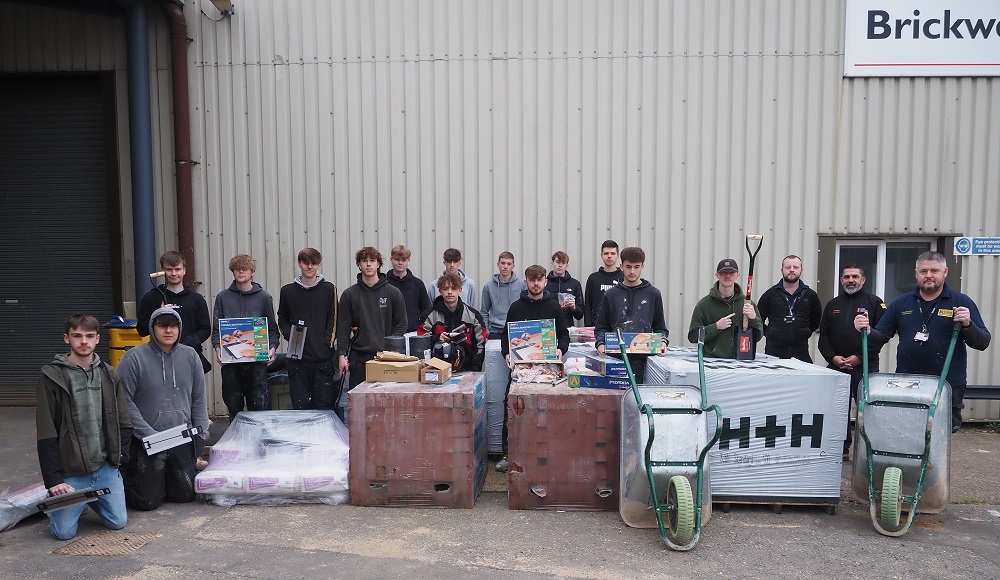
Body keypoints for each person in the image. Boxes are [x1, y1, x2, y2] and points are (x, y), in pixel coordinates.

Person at [855, 251, 990, 433]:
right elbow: (881, 337)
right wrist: (868, 330)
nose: (928, 276)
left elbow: (982, 342)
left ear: (945, 272)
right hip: (908, 383)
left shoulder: (960, 302)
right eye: (923, 271)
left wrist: (968, 324)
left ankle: (935, 463)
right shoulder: (901, 303)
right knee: (907, 431)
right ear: (916, 273)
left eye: (934, 271)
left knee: (940, 435)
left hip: (947, 383)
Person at [36, 314, 132, 540]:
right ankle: (72, 501)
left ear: (98, 339)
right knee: (63, 533)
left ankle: (89, 498)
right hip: (72, 472)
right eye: (77, 336)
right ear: (66, 338)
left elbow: (124, 420)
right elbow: (46, 431)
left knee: (118, 522)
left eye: (89, 336)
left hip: (105, 468)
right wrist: (54, 480)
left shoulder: (108, 374)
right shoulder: (52, 378)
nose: (83, 341)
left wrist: (119, 459)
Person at [118, 307, 210, 511]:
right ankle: (137, 479)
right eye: (162, 326)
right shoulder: (133, 359)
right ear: (152, 328)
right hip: (147, 439)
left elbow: (198, 397)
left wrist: (201, 433)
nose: (168, 331)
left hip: (181, 435)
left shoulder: (191, 356)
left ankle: (165, 478)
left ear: (179, 328)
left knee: (185, 495)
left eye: (174, 326)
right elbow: (123, 401)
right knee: (146, 502)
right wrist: (148, 435)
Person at [496, 265, 570, 473]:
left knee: (546, 408)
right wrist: (507, 353)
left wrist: (560, 350)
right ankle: (507, 454)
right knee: (511, 406)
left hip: (547, 369)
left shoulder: (554, 306)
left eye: (540, 280)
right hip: (521, 368)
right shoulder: (516, 307)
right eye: (532, 279)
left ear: (546, 281)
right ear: (526, 281)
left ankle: (548, 452)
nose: (536, 283)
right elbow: (505, 336)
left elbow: (564, 335)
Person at [819, 264, 887, 459]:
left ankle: (870, 451)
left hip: (865, 365)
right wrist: (833, 358)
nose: (851, 280)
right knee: (838, 409)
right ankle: (842, 449)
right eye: (847, 276)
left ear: (863, 280)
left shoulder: (875, 303)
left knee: (868, 409)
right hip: (837, 366)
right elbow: (824, 337)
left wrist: (859, 357)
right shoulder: (833, 305)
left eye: (855, 276)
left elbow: (881, 336)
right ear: (841, 280)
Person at [211, 253, 280, 420]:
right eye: (237, 269)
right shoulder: (222, 297)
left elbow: (272, 329)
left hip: (257, 365)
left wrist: (271, 348)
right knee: (234, 409)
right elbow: (216, 331)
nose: (241, 272)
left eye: (245, 269)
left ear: (252, 271)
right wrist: (218, 349)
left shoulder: (264, 297)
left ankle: (259, 444)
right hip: (231, 365)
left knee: (260, 410)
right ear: (232, 272)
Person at [594, 246, 668, 385]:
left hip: (644, 361)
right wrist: (601, 343)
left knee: (638, 403)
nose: (632, 271)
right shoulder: (611, 294)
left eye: (636, 267)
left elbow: (660, 328)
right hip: (615, 360)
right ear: (621, 266)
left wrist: (663, 342)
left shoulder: (653, 294)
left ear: (642, 266)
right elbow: (601, 327)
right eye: (628, 267)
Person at [337, 246, 408, 391]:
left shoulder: (393, 293)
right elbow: (343, 328)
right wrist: (341, 355)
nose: (368, 264)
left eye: (372, 260)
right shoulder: (349, 295)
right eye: (364, 261)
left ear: (379, 264)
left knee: (386, 405)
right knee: (358, 405)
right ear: (359, 264)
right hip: (359, 359)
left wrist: (390, 348)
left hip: (386, 358)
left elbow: (402, 323)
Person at [277, 248, 340, 411]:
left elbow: (334, 318)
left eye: (313, 263)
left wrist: (327, 343)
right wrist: (290, 336)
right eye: (306, 263)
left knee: (324, 406)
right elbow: (282, 318)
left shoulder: (328, 288)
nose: (309, 267)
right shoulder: (287, 291)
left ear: (319, 265)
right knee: (300, 405)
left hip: (322, 359)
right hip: (297, 359)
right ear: (299, 264)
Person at [136, 251, 212, 373]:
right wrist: (157, 314)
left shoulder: (197, 299)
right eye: (169, 269)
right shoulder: (151, 298)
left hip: (190, 359)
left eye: (177, 269)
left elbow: (205, 329)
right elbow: (141, 330)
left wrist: (186, 345)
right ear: (162, 270)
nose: (173, 273)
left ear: (184, 270)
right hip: (159, 360)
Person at [687, 258, 763, 358]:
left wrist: (753, 319)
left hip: (741, 363)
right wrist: (716, 327)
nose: (727, 276)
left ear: (737, 276)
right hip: (711, 362)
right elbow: (693, 336)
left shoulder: (747, 304)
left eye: (731, 272)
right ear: (717, 275)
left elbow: (758, 336)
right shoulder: (704, 305)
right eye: (723, 273)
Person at [757, 255, 823, 362]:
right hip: (774, 353)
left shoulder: (810, 295)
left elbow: (816, 320)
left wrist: (804, 332)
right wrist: (770, 333)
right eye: (788, 267)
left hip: (801, 352)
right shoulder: (770, 294)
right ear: (782, 270)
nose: (792, 270)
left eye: (795, 267)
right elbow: (758, 319)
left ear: (801, 270)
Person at [417, 273, 488, 372]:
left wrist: (473, 370)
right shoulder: (428, 316)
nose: (450, 292)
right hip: (436, 370)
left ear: (460, 290)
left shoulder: (474, 316)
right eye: (445, 289)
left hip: (467, 370)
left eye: (453, 288)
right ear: (440, 291)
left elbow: (480, 345)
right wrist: (437, 338)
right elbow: (420, 344)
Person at [480, 251, 527, 339]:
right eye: (503, 263)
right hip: (494, 331)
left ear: (513, 266)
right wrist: (486, 331)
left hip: (516, 331)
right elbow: (484, 312)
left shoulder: (522, 285)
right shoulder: (488, 286)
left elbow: (527, 308)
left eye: (509, 264)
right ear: (498, 264)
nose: (505, 266)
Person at [385, 244, 430, 333]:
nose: (400, 263)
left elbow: (425, 309)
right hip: (388, 333)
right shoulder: (383, 283)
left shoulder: (418, 284)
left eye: (404, 260)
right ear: (391, 259)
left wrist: (419, 327)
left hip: (413, 332)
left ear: (408, 260)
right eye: (397, 259)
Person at [584, 240, 624, 326]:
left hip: (620, 326)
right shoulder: (593, 278)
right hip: (598, 326)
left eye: (613, 253)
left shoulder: (624, 278)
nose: (609, 256)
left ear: (618, 255)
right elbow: (587, 306)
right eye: (606, 253)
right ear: (601, 255)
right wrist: (588, 327)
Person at [546, 251, 585, 329]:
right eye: (557, 262)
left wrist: (573, 307)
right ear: (552, 263)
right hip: (547, 327)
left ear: (567, 265)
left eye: (563, 263)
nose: (560, 265)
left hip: (567, 328)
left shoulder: (575, 284)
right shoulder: (544, 283)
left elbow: (580, 315)